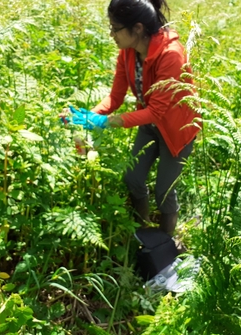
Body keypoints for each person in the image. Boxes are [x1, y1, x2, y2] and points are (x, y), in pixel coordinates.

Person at [63, 0, 200, 236]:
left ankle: (166, 243)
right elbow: (115, 98)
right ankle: (144, 229)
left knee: (164, 190)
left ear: (137, 28)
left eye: (115, 28)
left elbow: (158, 110)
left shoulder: (171, 55)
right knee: (133, 178)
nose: (111, 34)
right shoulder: (128, 52)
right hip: (149, 125)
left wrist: (105, 122)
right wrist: (86, 117)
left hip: (177, 128)